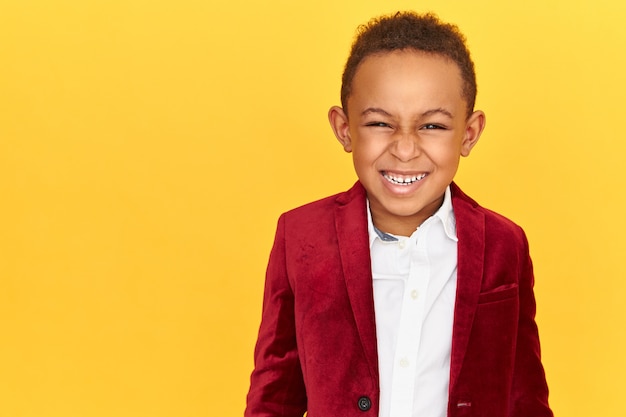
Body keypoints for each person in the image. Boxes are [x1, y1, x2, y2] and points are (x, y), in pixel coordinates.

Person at [245, 11, 553, 417]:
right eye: (379, 123)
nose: (405, 149)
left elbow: (524, 396)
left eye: (432, 126)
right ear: (344, 128)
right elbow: (275, 393)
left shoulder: (504, 244)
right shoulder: (301, 236)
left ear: (470, 133)